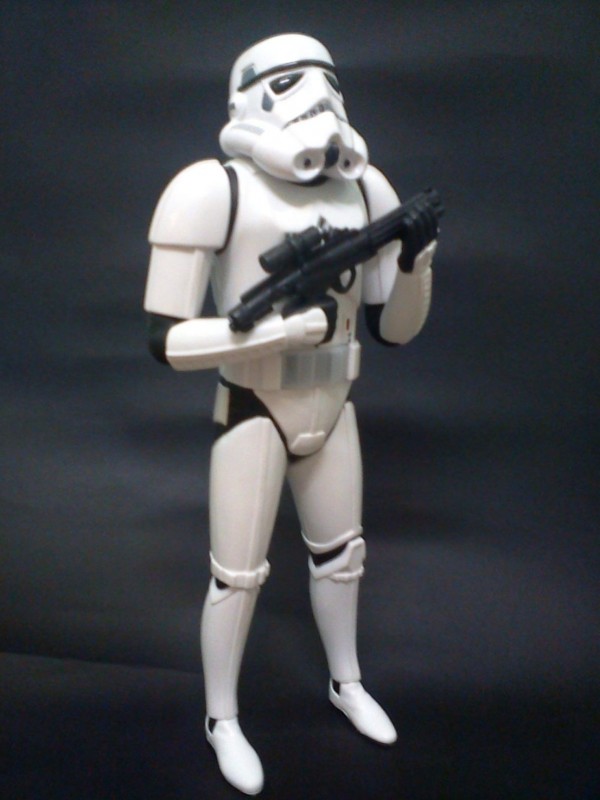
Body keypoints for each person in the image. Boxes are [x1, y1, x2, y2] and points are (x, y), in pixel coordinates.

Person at [143, 33, 438, 795]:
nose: (318, 99)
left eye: (326, 80)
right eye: (289, 82)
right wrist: (274, 333)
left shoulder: (366, 189)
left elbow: (397, 328)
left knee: (343, 556)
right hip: (253, 403)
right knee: (237, 578)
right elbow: (167, 341)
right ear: (248, 96)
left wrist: (416, 259)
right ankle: (222, 719)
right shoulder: (211, 189)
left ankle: (346, 682)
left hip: (334, 403)